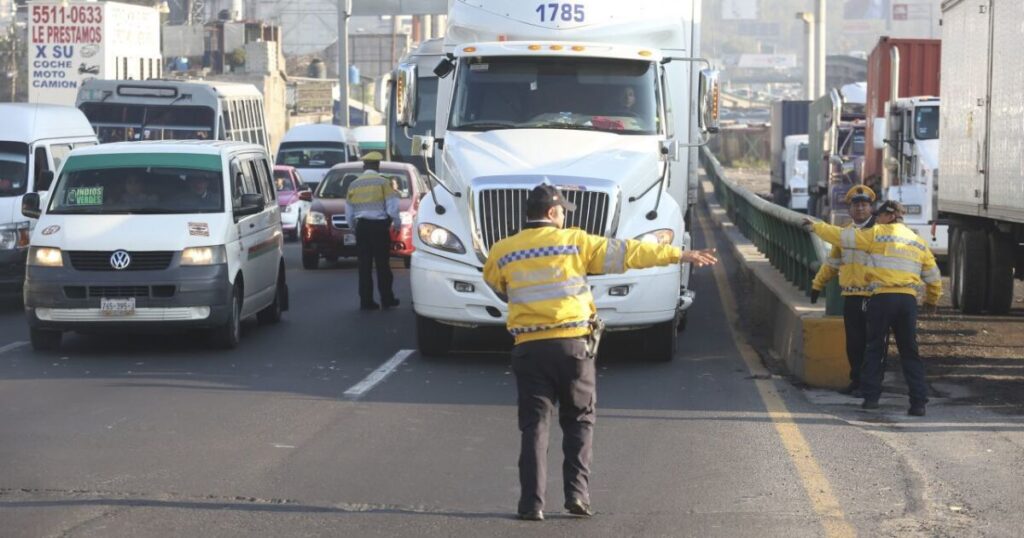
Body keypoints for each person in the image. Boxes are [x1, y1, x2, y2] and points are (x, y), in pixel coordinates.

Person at [483, 184, 719, 521]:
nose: (564, 216)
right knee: (579, 421)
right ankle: (576, 496)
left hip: (529, 349)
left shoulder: (503, 250)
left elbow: (497, 284)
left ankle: (531, 504)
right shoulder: (575, 242)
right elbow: (628, 253)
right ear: (552, 213)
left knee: (534, 426)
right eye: (562, 211)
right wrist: (679, 255)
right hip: (574, 347)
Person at [804, 200, 942, 416]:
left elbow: (841, 237)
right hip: (907, 301)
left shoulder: (875, 234)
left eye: (879, 215)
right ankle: (918, 403)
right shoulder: (917, 241)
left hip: (881, 298)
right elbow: (934, 278)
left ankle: (871, 398)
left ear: (889, 216)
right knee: (909, 351)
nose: (876, 219)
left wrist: (816, 226)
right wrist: (931, 301)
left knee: (875, 348)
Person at [810, 185, 877, 396]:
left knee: (873, 343)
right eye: (856, 205)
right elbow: (832, 263)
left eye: (864, 205)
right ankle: (856, 380)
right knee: (854, 343)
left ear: (871, 209)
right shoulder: (845, 235)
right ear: (850, 210)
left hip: (875, 296)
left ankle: (871, 384)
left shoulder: (880, 233)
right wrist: (817, 284)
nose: (860, 209)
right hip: (851, 296)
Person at [347, 151, 400, 310]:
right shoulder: (384, 183)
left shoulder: (354, 184)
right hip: (379, 228)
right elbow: (392, 209)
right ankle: (386, 298)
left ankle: (366, 301)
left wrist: (355, 228)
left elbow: (348, 213)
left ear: (364, 166)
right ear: (378, 166)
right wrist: (396, 225)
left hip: (362, 227)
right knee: (383, 265)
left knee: (364, 266)